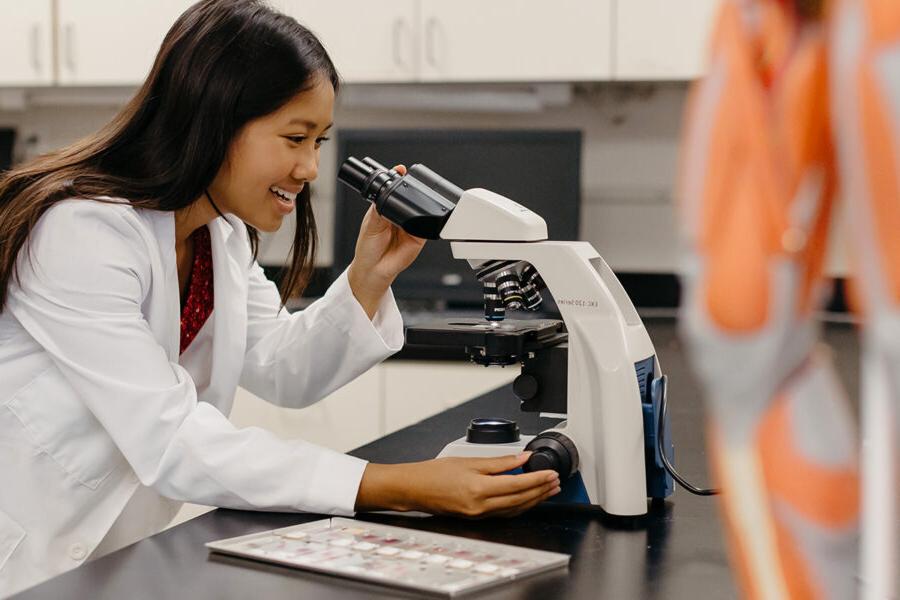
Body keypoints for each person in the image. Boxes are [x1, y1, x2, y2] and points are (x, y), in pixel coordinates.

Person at [0, 1, 561, 594]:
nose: (310, 168)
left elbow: (283, 370)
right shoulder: (81, 232)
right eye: (295, 138)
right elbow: (172, 439)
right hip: (28, 557)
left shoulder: (218, 235)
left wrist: (368, 276)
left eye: (319, 140)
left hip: (111, 560)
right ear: (212, 118)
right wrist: (396, 484)